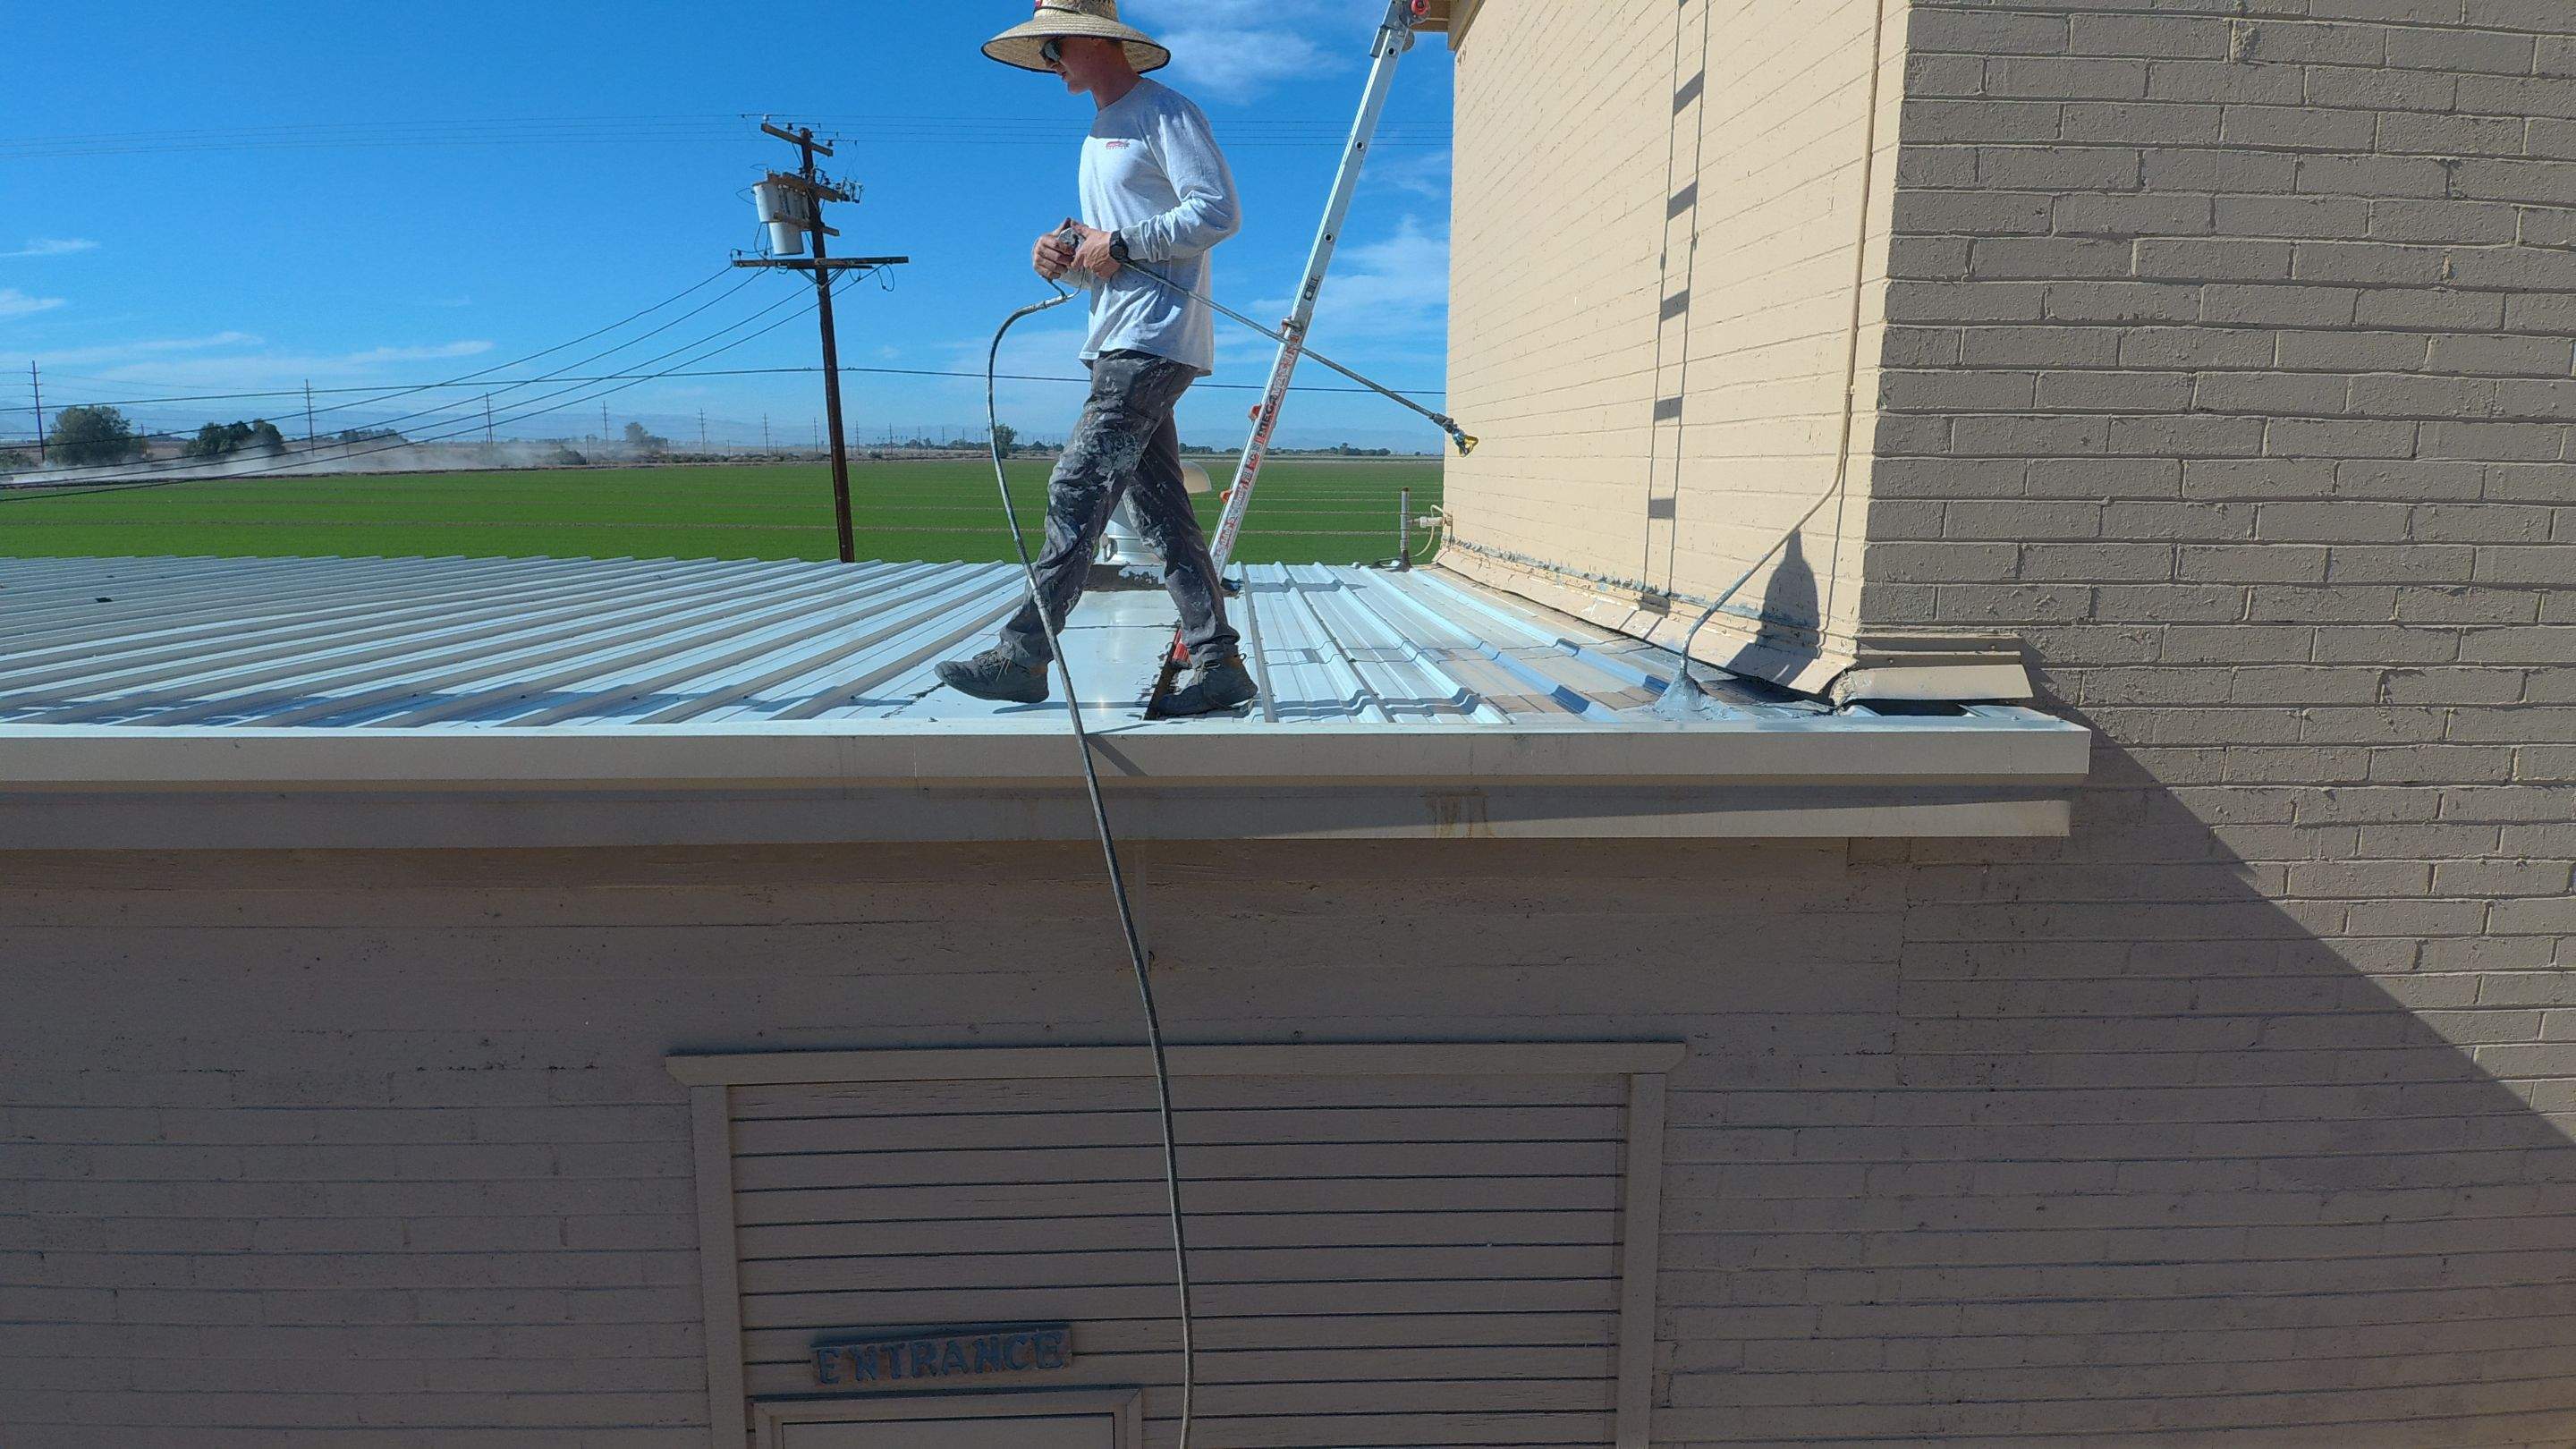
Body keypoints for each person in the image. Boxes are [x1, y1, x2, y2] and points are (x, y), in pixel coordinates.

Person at [937, 0, 1258, 716]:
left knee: (1076, 488)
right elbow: (1114, 255)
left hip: (1151, 339)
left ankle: (1024, 655)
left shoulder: (1163, 111)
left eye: (1052, 49)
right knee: (1163, 517)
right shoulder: (1099, 134)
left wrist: (1118, 242)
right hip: (1118, 335)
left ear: (1089, 40)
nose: (1049, 63)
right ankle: (1218, 664)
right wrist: (1063, 256)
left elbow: (1216, 213)